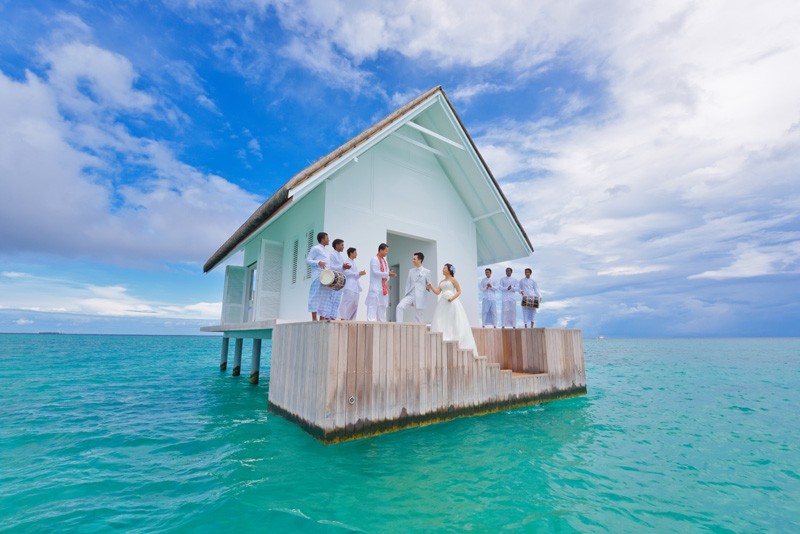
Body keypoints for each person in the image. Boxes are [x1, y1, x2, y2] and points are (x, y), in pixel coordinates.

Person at [427, 263, 478, 353]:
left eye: (444, 268)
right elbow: (437, 292)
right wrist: (431, 287)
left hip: (452, 302)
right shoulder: (441, 282)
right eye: (443, 268)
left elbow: (459, 291)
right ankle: (444, 337)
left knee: (453, 319)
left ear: (449, 270)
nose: (443, 269)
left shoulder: (453, 280)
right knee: (442, 319)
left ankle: (454, 338)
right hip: (443, 302)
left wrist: (452, 298)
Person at [318, 238, 351, 320]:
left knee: (336, 301)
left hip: (339, 282)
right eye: (342, 245)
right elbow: (330, 267)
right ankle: (327, 317)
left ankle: (333, 317)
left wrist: (344, 267)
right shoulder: (331, 254)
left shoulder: (340, 256)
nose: (343, 247)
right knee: (330, 299)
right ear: (337, 245)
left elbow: (341, 268)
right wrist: (342, 266)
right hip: (333, 281)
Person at [396, 252, 434, 323]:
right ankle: (399, 325)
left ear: (420, 260)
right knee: (399, 307)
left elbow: (429, 284)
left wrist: (428, 287)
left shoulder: (427, 272)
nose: (413, 260)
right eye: (413, 259)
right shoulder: (411, 271)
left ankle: (419, 331)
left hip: (420, 296)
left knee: (419, 316)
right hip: (410, 295)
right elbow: (408, 283)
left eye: (414, 259)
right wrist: (406, 294)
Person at [366, 243, 396, 321]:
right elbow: (375, 272)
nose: (387, 253)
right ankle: (371, 321)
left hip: (383, 287)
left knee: (382, 304)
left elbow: (387, 272)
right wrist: (387, 274)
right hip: (375, 286)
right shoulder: (374, 259)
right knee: (373, 303)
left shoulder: (385, 260)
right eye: (386, 251)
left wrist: (388, 275)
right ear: (381, 250)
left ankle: (382, 321)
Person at [305, 232, 330, 321]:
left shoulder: (326, 251)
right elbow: (308, 260)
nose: (328, 240)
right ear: (322, 239)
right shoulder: (315, 248)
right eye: (327, 238)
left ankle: (322, 318)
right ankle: (314, 319)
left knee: (325, 296)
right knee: (315, 296)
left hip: (326, 277)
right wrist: (318, 262)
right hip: (317, 276)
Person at [339, 247, 366, 320]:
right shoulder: (346, 262)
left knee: (355, 304)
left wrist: (360, 274)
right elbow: (346, 273)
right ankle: (343, 317)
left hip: (355, 286)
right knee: (347, 301)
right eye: (355, 252)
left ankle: (352, 319)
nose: (356, 254)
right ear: (351, 253)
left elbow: (356, 276)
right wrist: (358, 273)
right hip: (349, 285)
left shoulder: (354, 263)